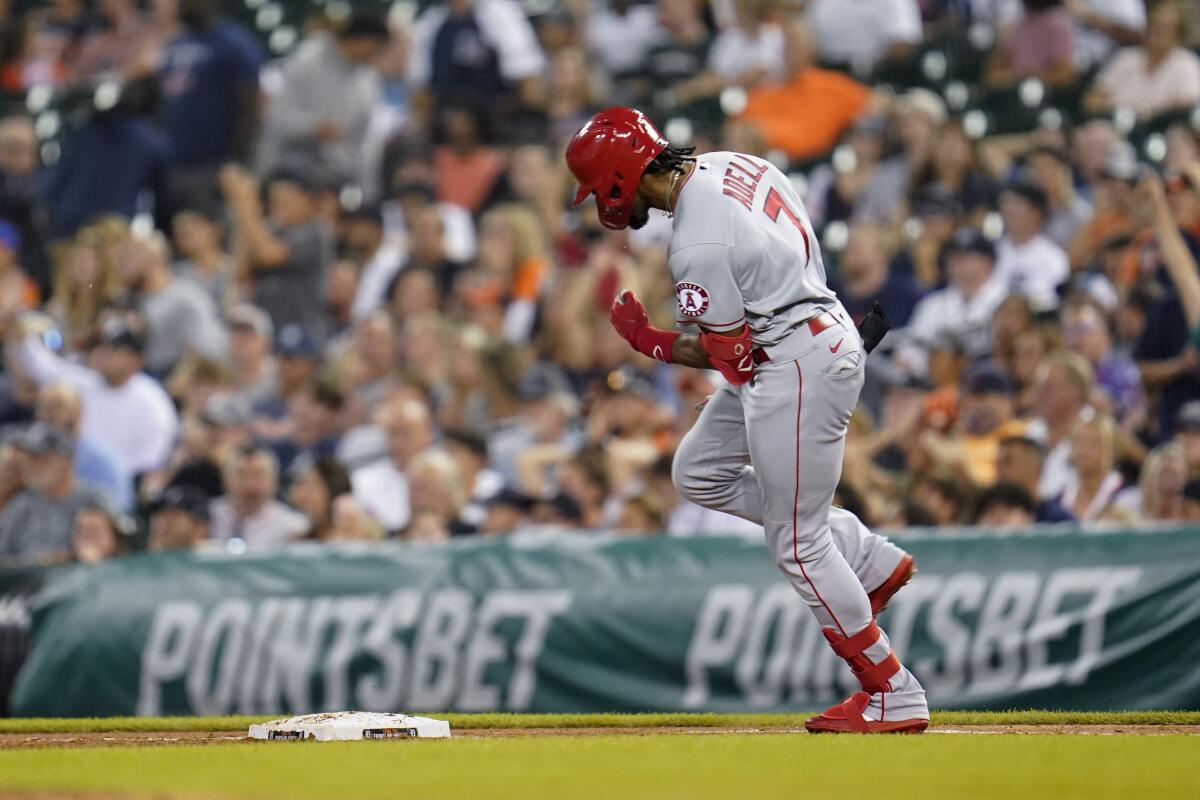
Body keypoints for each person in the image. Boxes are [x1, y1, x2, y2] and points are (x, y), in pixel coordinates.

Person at [566, 107, 927, 733]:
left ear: (621, 175)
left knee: (796, 541)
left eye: (600, 183)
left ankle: (890, 688)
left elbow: (725, 355)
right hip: (805, 332)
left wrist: (646, 339)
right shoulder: (735, 163)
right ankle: (865, 559)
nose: (601, 197)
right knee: (698, 471)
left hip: (793, 358)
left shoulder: (695, 241)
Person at [15, 315, 178, 478]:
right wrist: (17, 325)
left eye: (114, 350)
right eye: (104, 347)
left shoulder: (152, 400)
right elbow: (42, 366)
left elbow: (152, 459)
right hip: (73, 478)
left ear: (135, 360)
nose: (104, 354)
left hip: (123, 484)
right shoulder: (86, 383)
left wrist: (112, 474)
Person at [257, 12, 389, 191]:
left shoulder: (368, 81)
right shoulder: (307, 59)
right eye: (374, 47)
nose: (374, 54)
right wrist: (313, 127)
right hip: (288, 167)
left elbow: (365, 143)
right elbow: (276, 116)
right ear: (362, 39)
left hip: (335, 179)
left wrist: (366, 191)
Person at [219, 166, 335, 345]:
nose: (279, 207)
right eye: (275, 201)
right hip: (269, 336)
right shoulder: (269, 231)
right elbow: (240, 271)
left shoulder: (316, 231)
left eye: (286, 200)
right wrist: (240, 208)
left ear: (307, 200)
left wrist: (246, 202)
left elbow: (267, 254)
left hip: (304, 336)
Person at [738, 19, 871, 162]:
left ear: (811, 48)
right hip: (765, 159)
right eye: (785, 45)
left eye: (794, 44)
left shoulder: (833, 85)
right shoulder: (771, 87)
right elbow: (741, 122)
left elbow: (876, 103)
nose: (788, 51)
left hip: (811, 162)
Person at [115, 232, 227, 376]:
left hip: (174, 380)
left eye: (129, 257)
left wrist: (173, 390)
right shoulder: (127, 299)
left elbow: (207, 349)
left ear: (153, 259)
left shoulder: (185, 298)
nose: (121, 265)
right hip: (141, 377)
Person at [0, 423, 104, 559]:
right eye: (30, 456)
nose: (33, 463)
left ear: (67, 460)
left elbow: (113, 551)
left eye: (42, 456)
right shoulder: (20, 505)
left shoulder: (95, 501)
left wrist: (69, 558)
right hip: (25, 578)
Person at [1086, 0, 1200, 119]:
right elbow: (1093, 100)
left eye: (1166, 28)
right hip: (1114, 124)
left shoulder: (1187, 64)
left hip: (1157, 130)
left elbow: (1189, 108)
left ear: (1179, 33)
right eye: (1155, 25)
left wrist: (1153, 114)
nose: (1159, 32)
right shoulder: (1126, 57)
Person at [35, 381, 130, 510]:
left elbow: (118, 511)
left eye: (58, 407)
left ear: (78, 411)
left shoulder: (101, 459)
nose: (51, 414)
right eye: (44, 407)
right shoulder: (31, 456)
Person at [351, 397, 435, 533]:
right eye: (392, 433)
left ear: (427, 435)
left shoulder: (442, 477)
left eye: (405, 433)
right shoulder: (363, 481)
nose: (397, 443)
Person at [207, 445, 308, 549]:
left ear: (274, 481)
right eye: (241, 475)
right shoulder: (208, 517)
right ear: (224, 479)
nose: (250, 484)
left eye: (258, 475)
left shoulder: (293, 526)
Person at [994, 179, 1071, 312]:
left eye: (1016, 205)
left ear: (1036, 212)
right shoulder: (991, 251)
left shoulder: (1053, 257)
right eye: (1005, 206)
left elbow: (1052, 302)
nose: (1008, 211)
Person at [147, 484, 211, 552]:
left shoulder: (217, 558)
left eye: (173, 516)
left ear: (200, 527)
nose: (160, 524)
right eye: (158, 515)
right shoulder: (144, 559)